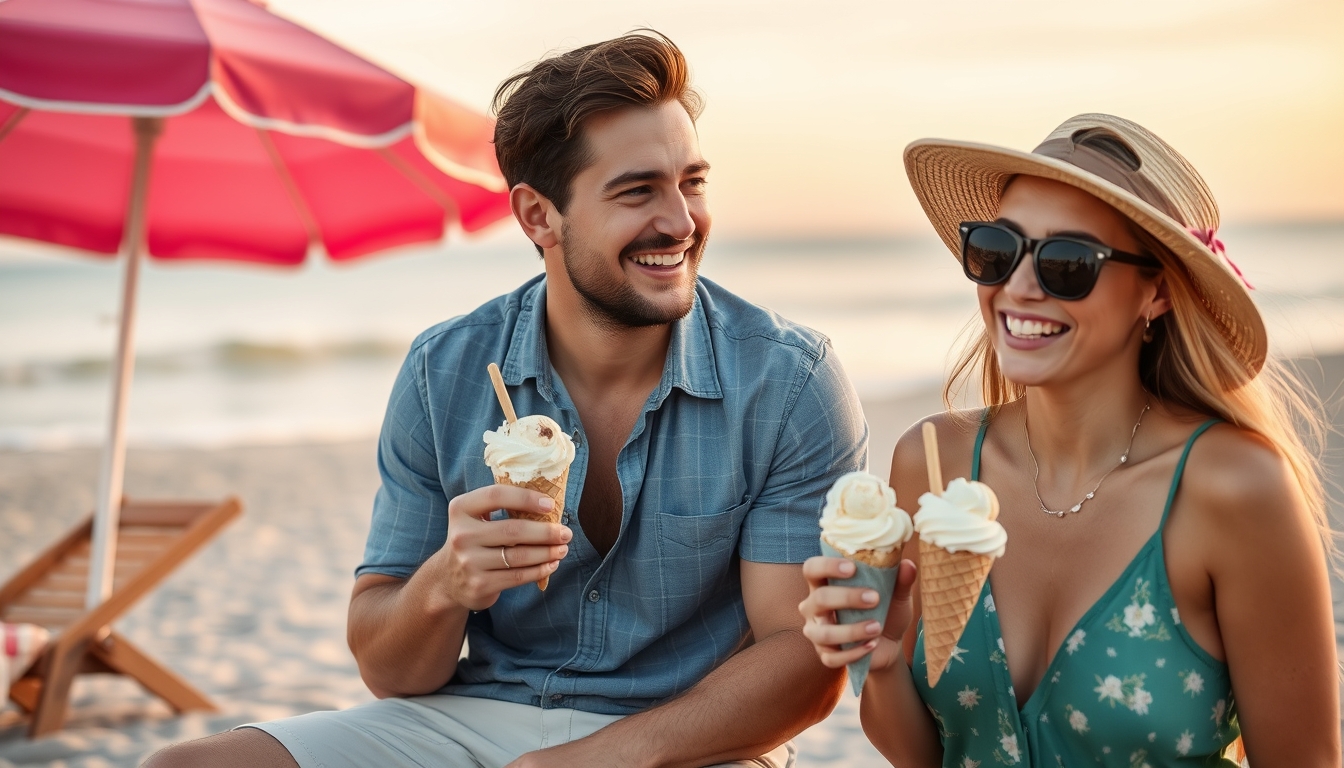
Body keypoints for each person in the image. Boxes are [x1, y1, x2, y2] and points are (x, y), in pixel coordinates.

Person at [145, 31, 864, 768]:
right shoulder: (444, 371)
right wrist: (445, 583)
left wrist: (595, 759)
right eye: (637, 190)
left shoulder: (789, 381)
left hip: (688, 740)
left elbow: (802, 659)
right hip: (471, 719)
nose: (681, 221)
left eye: (693, 182)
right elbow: (389, 670)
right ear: (537, 217)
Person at [798, 114, 1339, 765]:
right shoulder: (933, 463)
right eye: (999, 249)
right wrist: (879, 663)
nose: (1018, 287)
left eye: (1068, 262)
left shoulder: (1232, 487)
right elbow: (930, 755)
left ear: (1158, 292)